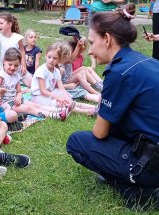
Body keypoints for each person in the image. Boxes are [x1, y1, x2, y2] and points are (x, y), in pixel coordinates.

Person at [66, 4, 159, 211]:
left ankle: (137, 190)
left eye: (92, 42)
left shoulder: (119, 72)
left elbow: (99, 133)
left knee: (76, 142)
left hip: (152, 163)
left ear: (107, 39)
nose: (89, 50)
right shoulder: (146, 61)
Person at [0, 47, 69, 121]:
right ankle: (55, 115)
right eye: (10, 64)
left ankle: (60, 110)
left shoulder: (16, 76)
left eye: (16, 65)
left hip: (16, 101)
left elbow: (19, 91)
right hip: (6, 104)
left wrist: (19, 97)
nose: (13, 68)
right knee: (29, 108)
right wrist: (0, 91)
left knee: (35, 105)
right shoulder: (0, 76)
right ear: (4, 61)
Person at [31, 42, 97, 116]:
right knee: (61, 103)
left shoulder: (56, 71)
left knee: (68, 100)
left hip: (51, 92)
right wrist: (58, 97)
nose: (51, 60)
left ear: (59, 59)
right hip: (40, 96)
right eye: (49, 57)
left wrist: (66, 97)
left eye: (55, 58)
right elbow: (43, 91)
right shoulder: (41, 71)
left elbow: (61, 87)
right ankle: (86, 112)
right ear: (46, 55)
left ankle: (94, 107)